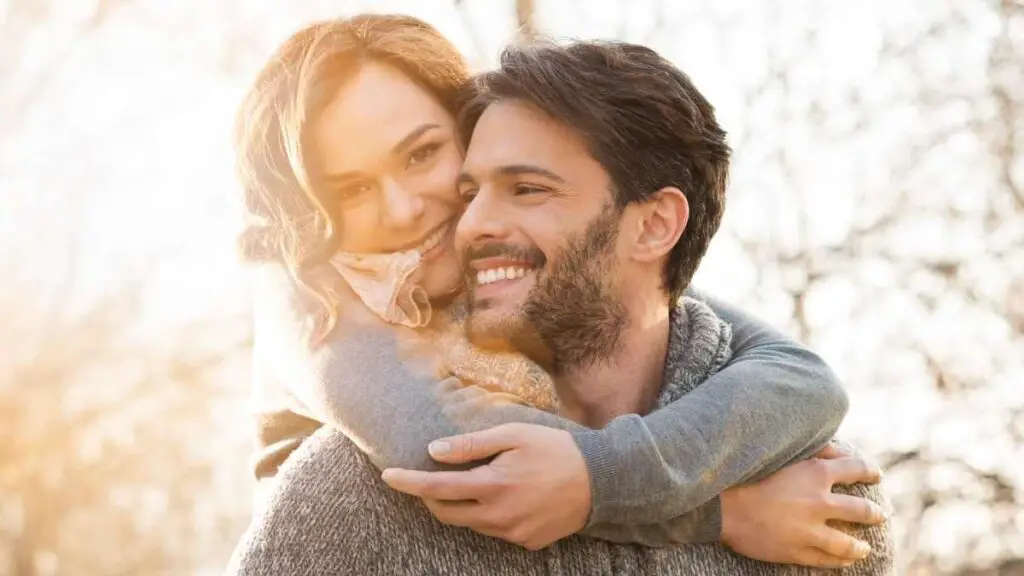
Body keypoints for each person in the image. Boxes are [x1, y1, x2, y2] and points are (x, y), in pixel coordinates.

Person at [229, 14, 892, 573]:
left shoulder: (511, 263)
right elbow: (455, 457)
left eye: (421, 154)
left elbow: (800, 378)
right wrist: (721, 513)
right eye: (349, 189)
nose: (404, 208)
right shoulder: (309, 297)